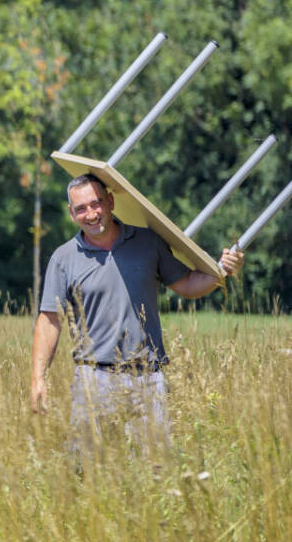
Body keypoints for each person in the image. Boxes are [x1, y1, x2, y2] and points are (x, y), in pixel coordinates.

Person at [31, 172, 244, 450]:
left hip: (148, 377)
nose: (91, 214)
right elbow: (49, 321)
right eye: (81, 208)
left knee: (156, 471)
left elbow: (188, 283)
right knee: (90, 472)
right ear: (72, 214)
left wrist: (222, 271)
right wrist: (38, 378)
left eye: (96, 203)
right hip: (93, 378)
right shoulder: (63, 258)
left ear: (110, 202)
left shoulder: (147, 242)